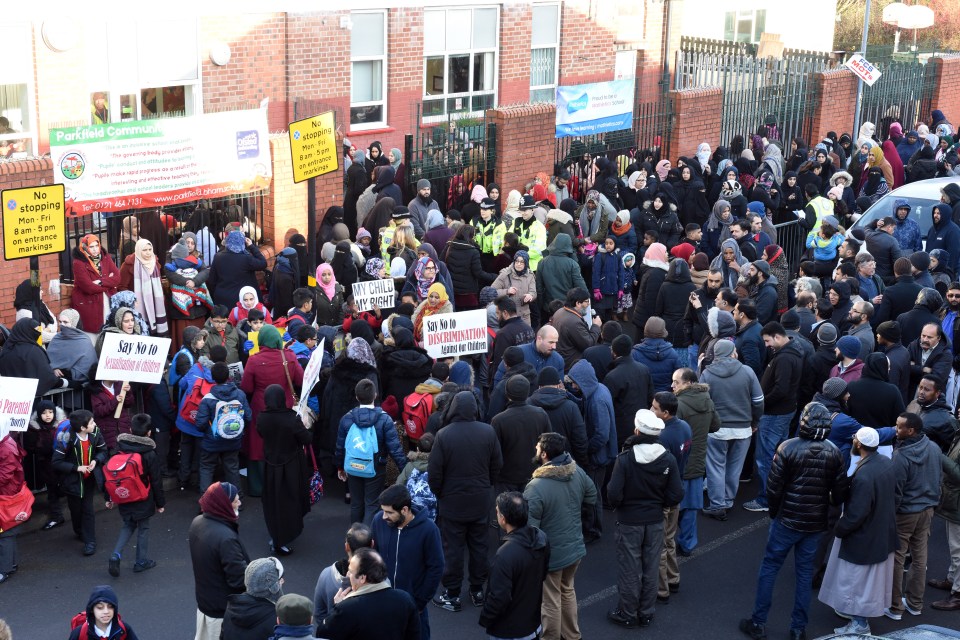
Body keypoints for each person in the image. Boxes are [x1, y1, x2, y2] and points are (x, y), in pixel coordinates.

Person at [739, 402, 847, 640]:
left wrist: (775, 513)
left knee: (770, 568)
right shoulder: (834, 452)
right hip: (815, 523)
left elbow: (773, 488)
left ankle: (758, 623)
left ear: (803, 422)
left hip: (786, 520)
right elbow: (839, 495)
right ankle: (798, 629)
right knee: (804, 574)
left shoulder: (787, 448)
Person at [606, 408, 683, 629]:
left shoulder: (625, 459)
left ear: (637, 430)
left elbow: (613, 494)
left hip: (629, 522)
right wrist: (660, 503)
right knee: (651, 568)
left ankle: (627, 613)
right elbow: (676, 494)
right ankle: (647, 612)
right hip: (656, 520)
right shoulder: (667, 459)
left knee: (630, 569)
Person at [819, 426, 899, 634]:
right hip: (882, 530)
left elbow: (857, 513)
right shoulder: (884, 462)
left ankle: (859, 624)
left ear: (858, 444)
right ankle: (858, 619)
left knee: (856, 583)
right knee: (868, 582)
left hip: (864, 537)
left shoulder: (865, 475)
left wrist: (839, 528)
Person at [429, 391, 503, 612]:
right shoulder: (488, 432)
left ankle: (452, 593)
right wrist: (486, 484)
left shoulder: (443, 434)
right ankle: (478, 589)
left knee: (452, 548)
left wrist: (441, 493)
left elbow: (435, 473)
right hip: (480, 499)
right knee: (480, 545)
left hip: (452, 502)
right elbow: (497, 465)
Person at [524, 432, 597, 640]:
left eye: (538, 448)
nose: (536, 450)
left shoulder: (536, 487)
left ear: (545, 454)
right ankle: (572, 635)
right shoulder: (577, 473)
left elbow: (531, 528)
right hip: (575, 548)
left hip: (551, 554)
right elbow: (592, 496)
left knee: (550, 599)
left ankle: (551, 637)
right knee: (567, 590)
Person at [886, 412, 943, 620]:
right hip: (927, 510)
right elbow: (939, 479)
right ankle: (915, 604)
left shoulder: (900, 456)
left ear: (911, 431)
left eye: (899, 426)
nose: (895, 429)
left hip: (905, 513)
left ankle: (894, 607)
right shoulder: (934, 448)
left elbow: (896, 491)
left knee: (897, 557)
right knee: (920, 557)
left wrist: (891, 514)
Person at [742, 322, 803, 515]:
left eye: (768, 341)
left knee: (766, 457)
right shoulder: (792, 352)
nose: (766, 345)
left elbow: (781, 389)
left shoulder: (784, 358)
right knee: (779, 455)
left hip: (775, 414)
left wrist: (761, 402)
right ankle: (779, 492)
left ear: (777, 337)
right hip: (784, 412)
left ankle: (766, 498)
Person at [370, 485, 444, 640]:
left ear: (404, 510)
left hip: (413, 607)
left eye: (389, 512)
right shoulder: (379, 521)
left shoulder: (429, 530)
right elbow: (373, 556)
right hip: (383, 602)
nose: (384, 516)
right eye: (383, 510)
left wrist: (420, 602)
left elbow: (436, 568)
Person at [701, 340, 763, 520]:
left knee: (715, 467)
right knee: (734, 468)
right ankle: (728, 501)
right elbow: (758, 401)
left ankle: (717, 505)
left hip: (716, 430)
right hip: (743, 429)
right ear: (732, 353)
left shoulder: (707, 374)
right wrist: (755, 421)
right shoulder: (748, 372)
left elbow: (704, 403)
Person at [240, 324, 304, 497]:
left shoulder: (253, 360)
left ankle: (259, 486)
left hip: (261, 406)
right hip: (285, 405)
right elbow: (300, 379)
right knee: (285, 443)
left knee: (258, 443)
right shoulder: (289, 356)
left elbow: (246, 386)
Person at [336, 379, 407, 526]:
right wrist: (405, 470)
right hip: (376, 467)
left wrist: (340, 467)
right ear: (375, 395)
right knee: (372, 504)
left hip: (353, 466)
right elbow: (395, 449)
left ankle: (354, 538)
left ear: (357, 397)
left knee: (356, 503)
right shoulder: (385, 419)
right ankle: (367, 540)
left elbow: (340, 446)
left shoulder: (346, 419)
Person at [480, 492, 550, 640]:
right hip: (533, 624)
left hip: (509, 631)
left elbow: (499, 597)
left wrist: (485, 618)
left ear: (503, 519)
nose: (496, 513)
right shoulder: (541, 538)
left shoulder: (504, 555)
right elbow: (544, 573)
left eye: (497, 511)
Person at [105, 414, 165, 576]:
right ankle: (141, 562)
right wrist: (160, 503)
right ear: (149, 433)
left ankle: (115, 554)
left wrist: (109, 497)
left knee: (128, 525)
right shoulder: (150, 453)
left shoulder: (120, 447)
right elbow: (156, 480)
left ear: (130, 430)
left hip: (123, 495)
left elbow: (112, 473)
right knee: (143, 528)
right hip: (143, 496)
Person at [315, 548, 421, 640]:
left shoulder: (346, 609)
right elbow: (414, 636)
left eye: (351, 572)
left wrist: (336, 608)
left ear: (362, 578)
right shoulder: (405, 599)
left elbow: (322, 634)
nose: (348, 574)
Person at [189, 482, 249, 640]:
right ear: (224, 504)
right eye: (236, 500)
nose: (240, 503)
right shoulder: (226, 538)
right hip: (222, 613)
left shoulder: (197, 523)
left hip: (205, 604)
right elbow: (238, 580)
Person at [259, 384, 312, 555]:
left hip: (270, 465)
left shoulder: (262, 417)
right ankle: (285, 536)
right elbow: (306, 438)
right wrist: (305, 424)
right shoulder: (291, 418)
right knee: (291, 501)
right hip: (292, 467)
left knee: (273, 502)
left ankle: (277, 535)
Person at [567, 359, 617, 542]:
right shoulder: (599, 389)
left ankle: (593, 530)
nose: (572, 385)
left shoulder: (596, 401)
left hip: (598, 457)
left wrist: (586, 449)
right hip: (600, 455)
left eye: (574, 382)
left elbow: (601, 435)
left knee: (592, 494)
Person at [671, 368, 720, 555]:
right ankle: (687, 544)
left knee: (672, 508)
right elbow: (716, 425)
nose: (673, 385)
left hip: (679, 463)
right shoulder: (707, 399)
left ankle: (668, 545)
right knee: (691, 507)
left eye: (676, 382)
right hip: (698, 461)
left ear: (689, 383)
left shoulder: (678, 404)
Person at [652, 393, 692, 605]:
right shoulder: (685, 427)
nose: (652, 411)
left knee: (658, 544)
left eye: (655, 408)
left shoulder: (662, 437)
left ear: (665, 413)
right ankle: (673, 579)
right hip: (677, 492)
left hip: (663, 496)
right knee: (669, 539)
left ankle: (661, 589)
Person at [52, 409, 108, 556]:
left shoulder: (95, 433)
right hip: (72, 481)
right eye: (91, 422)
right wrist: (77, 468)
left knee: (88, 510)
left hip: (89, 480)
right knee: (75, 510)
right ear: (82, 428)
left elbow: (103, 450)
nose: (94, 424)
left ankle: (90, 541)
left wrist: (97, 460)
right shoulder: (66, 437)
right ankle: (79, 531)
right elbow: (56, 462)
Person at [194, 362, 251, 495]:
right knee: (232, 468)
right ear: (228, 376)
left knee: (207, 468)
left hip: (211, 441)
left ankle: (206, 503)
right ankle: (236, 500)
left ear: (213, 378)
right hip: (233, 438)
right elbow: (248, 417)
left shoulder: (207, 398)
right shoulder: (240, 395)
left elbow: (200, 423)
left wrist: (210, 432)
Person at [492, 375, 552, 492]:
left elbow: (495, 454)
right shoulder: (541, 414)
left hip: (506, 480)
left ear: (507, 394)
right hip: (534, 477)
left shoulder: (499, 420)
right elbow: (549, 446)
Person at [314, 523, 374, 627]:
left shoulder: (327, 575)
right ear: (372, 544)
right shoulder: (383, 581)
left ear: (346, 546)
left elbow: (319, 613)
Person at [528, 367, 589, 467]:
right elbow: (580, 440)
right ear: (558, 385)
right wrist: (582, 464)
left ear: (539, 386)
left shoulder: (528, 404)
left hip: (536, 465)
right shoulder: (571, 407)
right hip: (564, 465)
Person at [604, 335, 655, 448]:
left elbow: (607, 407)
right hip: (642, 425)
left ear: (615, 352)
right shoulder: (644, 369)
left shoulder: (612, 377)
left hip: (621, 430)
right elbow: (651, 397)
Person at [221, 557, 285, 640]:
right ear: (273, 588)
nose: (283, 581)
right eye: (279, 580)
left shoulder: (232, 607)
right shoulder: (276, 620)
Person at [0, 318, 68, 396]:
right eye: (35, 330)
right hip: (35, 401)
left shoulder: (6, 350)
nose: (38, 333)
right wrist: (65, 382)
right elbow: (47, 377)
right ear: (27, 331)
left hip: (13, 401)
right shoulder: (33, 351)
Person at [71, 234, 121, 337]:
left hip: (107, 300)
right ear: (85, 247)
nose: (95, 249)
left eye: (96, 246)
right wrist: (108, 282)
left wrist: (101, 282)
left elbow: (117, 278)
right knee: (94, 334)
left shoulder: (105, 257)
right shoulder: (78, 263)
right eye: (91, 247)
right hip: (89, 303)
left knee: (109, 330)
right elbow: (88, 287)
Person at [208, 230, 268, 308]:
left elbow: (212, 280)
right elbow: (263, 263)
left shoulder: (218, 257)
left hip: (222, 299)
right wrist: (251, 246)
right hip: (241, 301)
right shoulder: (246, 258)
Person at [552, 287, 602, 372]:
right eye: (586, 301)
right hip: (571, 365)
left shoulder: (560, 311)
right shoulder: (574, 322)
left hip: (561, 359)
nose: (588, 305)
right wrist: (596, 326)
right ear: (578, 303)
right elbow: (588, 344)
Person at [68, 585, 140, 640]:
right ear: (92, 609)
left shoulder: (124, 629)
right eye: (100, 607)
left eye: (110, 607)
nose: (106, 611)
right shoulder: (79, 633)